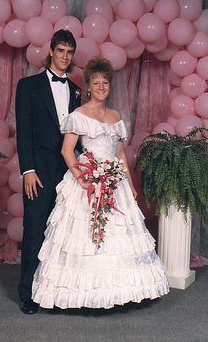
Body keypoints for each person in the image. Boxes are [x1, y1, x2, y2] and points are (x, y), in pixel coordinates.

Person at [32, 57, 169, 309]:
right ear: (88, 86)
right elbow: (67, 151)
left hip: (114, 181)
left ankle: (118, 294)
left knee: (118, 236)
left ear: (109, 85)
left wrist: (129, 185)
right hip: (88, 180)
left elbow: (119, 155)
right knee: (84, 238)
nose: (101, 87)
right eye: (96, 83)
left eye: (105, 82)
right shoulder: (78, 115)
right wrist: (82, 178)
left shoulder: (116, 117)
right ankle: (81, 295)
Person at [15, 30, 81, 314]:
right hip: (38, 172)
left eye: (70, 52)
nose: (65, 56)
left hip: (67, 173)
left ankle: (53, 290)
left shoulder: (77, 90)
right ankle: (27, 293)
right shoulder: (28, 86)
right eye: (61, 50)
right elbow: (23, 132)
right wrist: (27, 170)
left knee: (63, 233)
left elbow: (79, 136)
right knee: (34, 230)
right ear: (51, 51)